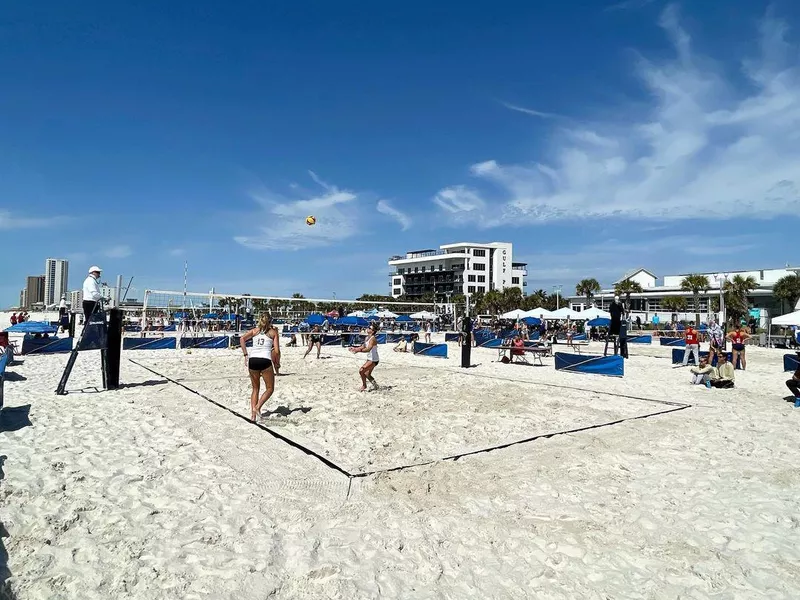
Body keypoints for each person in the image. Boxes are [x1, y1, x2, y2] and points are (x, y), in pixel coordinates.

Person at [239, 313, 279, 421]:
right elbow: (277, 351)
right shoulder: (273, 332)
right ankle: (257, 407)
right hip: (265, 360)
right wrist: (277, 363)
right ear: (270, 321)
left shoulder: (254, 331)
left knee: (255, 389)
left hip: (253, 360)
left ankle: (253, 416)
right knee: (270, 389)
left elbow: (242, 339)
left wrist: (246, 355)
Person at [350, 322, 380, 391]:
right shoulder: (367, 337)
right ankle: (376, 386)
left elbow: (368, 349)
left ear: (372, 331)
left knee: (361, 371)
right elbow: (363, 346)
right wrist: (355, 348)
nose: (368, 328)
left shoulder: (373, 339)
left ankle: (364, 385)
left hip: (373, 359)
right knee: (367, 374)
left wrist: (359, 351)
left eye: (369, 328)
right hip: (370, 358)